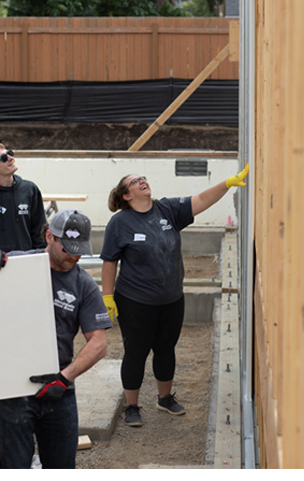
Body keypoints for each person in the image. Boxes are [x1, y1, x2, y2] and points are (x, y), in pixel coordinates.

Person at [101, 163, 249, 427]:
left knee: (166, 349)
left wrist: (227, 183)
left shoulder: (167, 209)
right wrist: (108, 297)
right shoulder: (119, 223)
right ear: (126, 195)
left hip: (171, 299)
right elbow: (110, 261)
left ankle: (164, 398)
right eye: (135, 181)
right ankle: (132, 406)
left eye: (143, 178)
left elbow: (202, 199)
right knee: (136, 352)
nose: (142, 181)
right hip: (135, 302)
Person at [0, 209, 113, 469]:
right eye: (68, 249)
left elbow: (99, 342)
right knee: (13, 466)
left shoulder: (83, 284)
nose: (74, 256)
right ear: (50, 237)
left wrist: (64, 378)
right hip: (12, 391)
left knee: (61, 466)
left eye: (79, 249)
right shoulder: (14, 266)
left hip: (58, 388)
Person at [0, 144, 46, 253]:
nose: (11, 158)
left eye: (9, 153)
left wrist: (41, 259)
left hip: (26, 262)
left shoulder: (29, 189)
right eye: (4, 158)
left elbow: (39, 232)